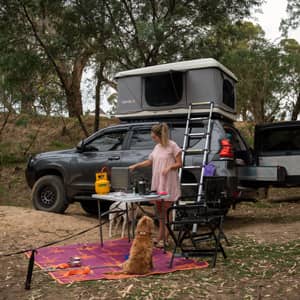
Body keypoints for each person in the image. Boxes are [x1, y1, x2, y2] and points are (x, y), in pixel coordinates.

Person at [129, 123, 182, 248]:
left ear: (160, 135)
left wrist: (169, 167)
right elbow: (150, 161)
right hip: (158, 182)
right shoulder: (157, 147)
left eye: (154, 137)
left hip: (168, 182)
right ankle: (160, 236)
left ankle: (165, 238)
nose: (153, 139)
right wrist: (137, 165)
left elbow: (180, 163)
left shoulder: (172, 146)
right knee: (159, 212)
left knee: (167, 210)